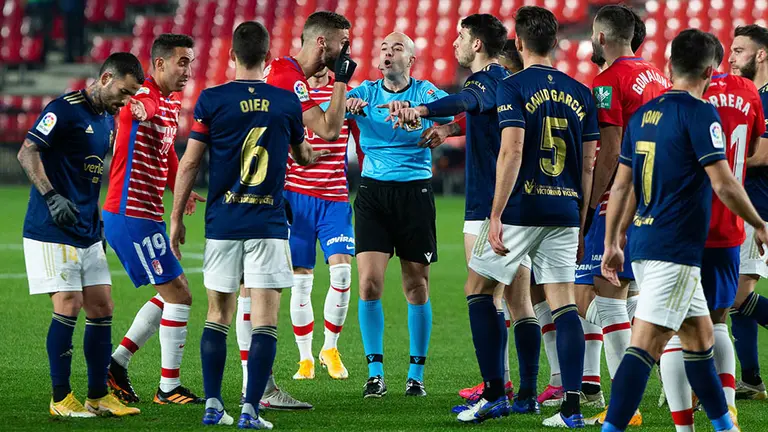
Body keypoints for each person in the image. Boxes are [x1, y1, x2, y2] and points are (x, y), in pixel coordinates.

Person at [599, 28, 764, 432]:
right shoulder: (699, 113)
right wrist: (760, 223)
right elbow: (724, 183)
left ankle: (725, 426)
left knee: (699, 339)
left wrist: (611, 241)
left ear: (670, 65)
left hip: (648, 242)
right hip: (673, 248)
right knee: (646, 347)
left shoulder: (643, 114)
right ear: (711, 70)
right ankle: (613, 428)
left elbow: (622, 184)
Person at [169, 21, 330, 429]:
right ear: (269, 58)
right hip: (268, 223)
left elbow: (189, 162)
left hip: (223, 222)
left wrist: (175, 219)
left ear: (232, 57)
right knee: (265, 320)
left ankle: (211, 405)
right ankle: (250, 410)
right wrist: (306, 153)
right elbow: (304, 153)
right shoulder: (284, 103)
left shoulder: (211, 100)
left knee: (218, 315)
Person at [387, 17, 537, 410]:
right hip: (518, 203)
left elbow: (467, 100)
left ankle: (495, 390)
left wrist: (420, 109)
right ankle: (524, 392)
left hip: (489, 204)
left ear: (477, 45)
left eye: (461, 37)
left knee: (483, 296)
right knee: (515, 300)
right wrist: (451, 129)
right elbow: (479, 116)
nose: (454, 42)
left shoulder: (484, 78)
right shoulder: (506, 79)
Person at [459, 6, 598, 427]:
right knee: (562, 305)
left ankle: (494, 394)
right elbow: (589, 163)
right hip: (566, 208)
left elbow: (512, 151)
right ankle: (571, 407)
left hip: (520, 208)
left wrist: (496, 212)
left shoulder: (512, 85)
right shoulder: (581, 91)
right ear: (555, 43)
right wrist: (582, 218)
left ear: (517, 42)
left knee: (478, 290)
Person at [231, 11, 357, 410]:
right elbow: (330, 130)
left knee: (250, 292)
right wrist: (340, 79)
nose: (346, 50)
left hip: (251, 194)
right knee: (257, 293)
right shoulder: (289, 78)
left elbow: (302, 145)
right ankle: (257, 391)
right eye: (342, 42)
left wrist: (302, 156)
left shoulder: (283, 75)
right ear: (323, 43)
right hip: (265, 198)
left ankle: (253, 388)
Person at [19, 52, 144, 417]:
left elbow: (92, 175)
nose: (125, 100)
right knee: (69, 304)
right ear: (105, 78)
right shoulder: (64, 108)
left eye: (131, 95)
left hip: (87, 229)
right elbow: (27, 153)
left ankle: (97, 395)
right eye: (123, 91)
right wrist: (51, 196)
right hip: (51, 226)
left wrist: (98, 221)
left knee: (103, 306)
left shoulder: (109, 119)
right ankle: (61, 398)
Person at [659, 33, 764, 432]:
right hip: (728, 225)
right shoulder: (748, 92)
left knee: (672, 328)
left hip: (683, 225)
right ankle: (728, 410)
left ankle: (683, 423)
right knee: (719, 321)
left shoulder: (684, 98)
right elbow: (751, 148)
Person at [344, 31, 452, 398]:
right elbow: (333, 109)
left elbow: (454, 109)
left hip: (415, 194)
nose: (389, 52)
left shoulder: (425, 93)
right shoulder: (365, 93)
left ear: (412, 60)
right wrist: (347, 105)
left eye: (398, 48)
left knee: (416, 286)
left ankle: (415, 375)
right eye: (384, 48)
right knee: (369, 284)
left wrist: (430, 121)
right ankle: (375, 373)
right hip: (373, 193)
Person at [580, 5, 673, 425]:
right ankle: (675, 389)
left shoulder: (607, 80)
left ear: (601, 38)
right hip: (660, 194)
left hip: (623, 194)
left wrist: (591, 202)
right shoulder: (657, 75)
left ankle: (625, 406)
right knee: (638, 292)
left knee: (608, 289)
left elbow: (611, 151)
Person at [103, 33, 206, 406]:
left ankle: (116, 363)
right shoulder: (145, 96)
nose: (188, 71)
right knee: (179, 293)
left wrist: (182, 189)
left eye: (191, 62)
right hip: (129, 213)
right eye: (182, 62)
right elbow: (138, 106)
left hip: (147, 215)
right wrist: (141, 108)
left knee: (172, 293)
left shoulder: (173, 99)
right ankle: (168, 387)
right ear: (159, 64)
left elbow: (166, 153)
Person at [285, 66, 361, 381]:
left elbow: (363, 143)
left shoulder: (346, 95)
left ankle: (330, 348)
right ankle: (305, 358)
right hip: (296, 198)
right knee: (301, 280)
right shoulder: (290, 93)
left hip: (335, 198)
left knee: (342, 272)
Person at [727, 24, 768, 400]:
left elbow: (763, 154)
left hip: (759, 208)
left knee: (736, 297)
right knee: (739, 296)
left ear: (761, 55)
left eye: (739, 50)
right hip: (745, 205)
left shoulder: (767, 97)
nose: (730, 56)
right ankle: (752, 380)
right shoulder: (748, 94)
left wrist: (716, 161)